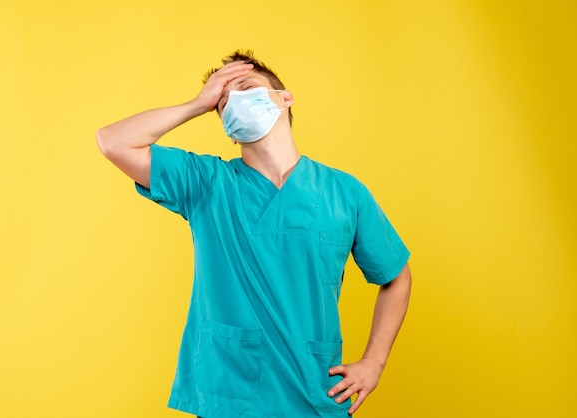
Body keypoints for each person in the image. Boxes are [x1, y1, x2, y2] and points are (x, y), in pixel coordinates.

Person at [96, 50, 412, 417]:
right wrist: (198, 104)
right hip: (231, 395)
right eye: (224, 102)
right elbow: (113, 141)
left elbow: (396, 275)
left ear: (285, 98)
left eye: (246, 87)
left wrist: (374, 362)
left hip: (314, 391)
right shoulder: (207, 184)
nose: (235, 102)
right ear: (228, 131)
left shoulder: (345, 193)